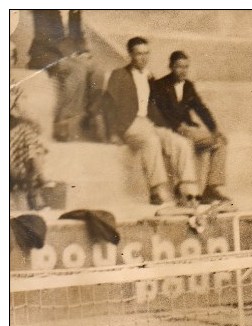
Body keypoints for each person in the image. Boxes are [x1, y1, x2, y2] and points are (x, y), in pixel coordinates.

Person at [102, 36, 199, 206]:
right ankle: (157, 190)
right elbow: (108, 105)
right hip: (130, 124)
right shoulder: (118, 75)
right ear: (130, 55)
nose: (143, 57)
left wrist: (171, 127)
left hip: (150, 123)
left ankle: (188, 191)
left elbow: (156, 107)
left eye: (146, 53)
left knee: (180, 142)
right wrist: (112, 133)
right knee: (151, 141)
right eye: (139, 54)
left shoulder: (150, 77)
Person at [151, 51, 231, 204]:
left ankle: (211, 188)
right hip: (170, 130)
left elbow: (200, 108)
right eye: (179, 67)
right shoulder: (160, 85)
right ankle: (181, 188)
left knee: (220, 141)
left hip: (187, 129)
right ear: (171, 67)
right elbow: (161, 111)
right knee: (195, 142)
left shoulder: (188, 86)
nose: (183, 71)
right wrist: (178, 126)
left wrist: (214, 129)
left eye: (186, 67)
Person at [26, 10, 104, 143]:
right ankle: (62, 121)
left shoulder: (74, 11)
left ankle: (91, 115)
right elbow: (44, 38)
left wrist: (83, 52)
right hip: (45, 55)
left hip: (69, 55)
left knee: (97, 71)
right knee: (77, 71)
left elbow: (78, 37)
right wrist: (72, 54)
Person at [10, 42, 50, 210]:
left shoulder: (13, 85)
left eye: (11, 56)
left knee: (28, 135)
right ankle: (37, 189)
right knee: (29, 135)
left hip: (13, 136)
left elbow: (24, 111)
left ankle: (36, 188)